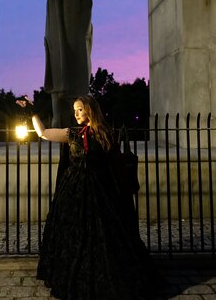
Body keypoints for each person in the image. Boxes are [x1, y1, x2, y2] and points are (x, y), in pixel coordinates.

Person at [31, 95, 162, 299]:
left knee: (103, 235)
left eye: (80, 109)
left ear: (90, 110)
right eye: (74, 110)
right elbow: (43, 133)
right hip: (73, 192)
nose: (76, 113)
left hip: (100, 192)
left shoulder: (105, 134)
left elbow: (115, 166)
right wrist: (31, 111)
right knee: (75, 234)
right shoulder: (72, 133)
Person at [43, 0, 93, 128]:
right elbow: (48, 29)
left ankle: (80, 124)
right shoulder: (52, 1)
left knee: (78, 90)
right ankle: (58, 122)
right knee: (57, 91)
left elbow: (85, 29)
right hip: (57, 52)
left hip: (77, 52)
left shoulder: (85, 0)